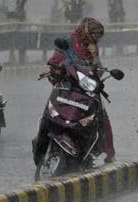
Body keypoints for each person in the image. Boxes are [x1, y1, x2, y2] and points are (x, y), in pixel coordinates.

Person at [32, 17, 116, 165]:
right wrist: (50, 69)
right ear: (87, 32)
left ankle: (108, 152)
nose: (97, 39)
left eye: (99, 37)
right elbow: (53, 62)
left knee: (101, 117)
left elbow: (99, 71)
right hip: (68, 85)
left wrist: (95, 55)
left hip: (85, 88)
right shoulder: (68, 43)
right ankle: (41, 139)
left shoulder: (93, 47)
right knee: (50, 111)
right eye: (96, 36)